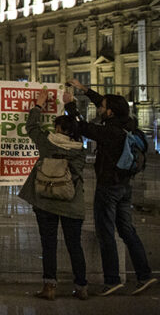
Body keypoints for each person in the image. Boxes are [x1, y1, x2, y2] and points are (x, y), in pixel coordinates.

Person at [65, 79, 155, 296]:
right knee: (127, 230)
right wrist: (85, 90)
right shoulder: (128, 123)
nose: (99, 108)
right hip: (125, 186)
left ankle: (112, 279)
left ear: (111, 113)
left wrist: (70, 106)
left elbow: (82, 127)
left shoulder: (110, 132)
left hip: (108, 187)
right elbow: (106, 104)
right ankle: (144, 275)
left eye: (102, 107)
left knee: (105, 232)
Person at [17, 89, 88, 300]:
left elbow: (31, 127)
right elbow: (80, 126)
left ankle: (49, 288)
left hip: (45, 200)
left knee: (48, 244)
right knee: (74, 245)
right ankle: (82, 287)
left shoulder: (47, 142)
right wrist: (71, 106)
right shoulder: (80, 150)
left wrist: (38, 105)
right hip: (71, 203)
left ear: (57, 128)